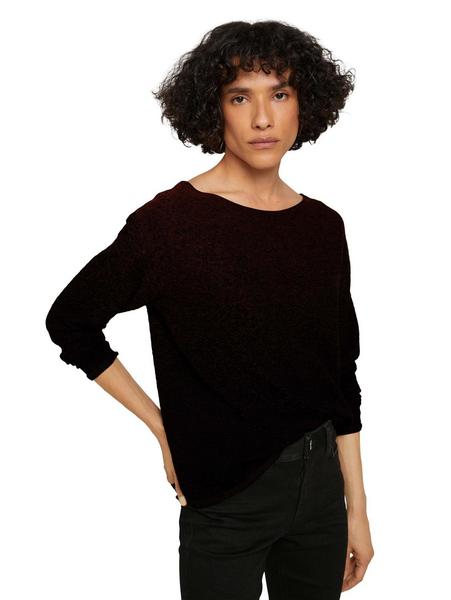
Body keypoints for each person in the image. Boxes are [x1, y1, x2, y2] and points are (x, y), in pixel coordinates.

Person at [45, 19, 374, 600]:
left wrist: (358, 507)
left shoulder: (324, 227)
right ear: (213, 108)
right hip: (226, 496)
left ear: (305, 103)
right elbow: (70, 322)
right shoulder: (169, 225)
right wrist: (163, 428)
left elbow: (339, 374)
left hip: (322, 491)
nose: (263, 118)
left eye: (280, 94)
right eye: (240, 97)